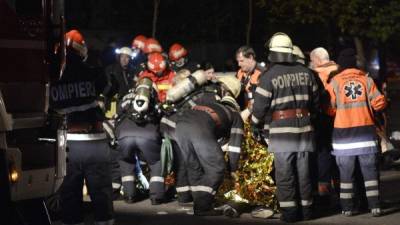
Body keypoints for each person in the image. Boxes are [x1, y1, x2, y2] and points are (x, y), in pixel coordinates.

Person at [251, 32, 320, 222]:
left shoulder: (268, 76)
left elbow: (259, 109)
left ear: (273, 53)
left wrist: (255, 125)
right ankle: (307, 211)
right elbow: (315, 103)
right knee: (304, 173)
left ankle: (290, 214)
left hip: (281, 132)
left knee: (285, 175)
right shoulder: (307, 73)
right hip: (305, 130)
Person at [50, 30, 114, 225]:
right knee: (101, 192)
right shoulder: (93, 72)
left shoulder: (52, 77)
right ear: (81, 49)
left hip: (67, 145)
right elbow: (112, 88)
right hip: (94, 144)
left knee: (69, 194)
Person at [326, 48, 387, 217]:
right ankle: (375, 206)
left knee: (346, 176)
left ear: (341, 64)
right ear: (354, 64)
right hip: (366, 135)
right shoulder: (366, 81)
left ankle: (347, 208)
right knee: (370, 174)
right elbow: (379, 103)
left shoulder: (335, 82)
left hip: (343, 138)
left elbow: (330, 109)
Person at [174, 86, 244, 216]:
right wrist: (233, 168)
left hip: (180, 125)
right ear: (235, 107)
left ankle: (198, 201)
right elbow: (235, 146)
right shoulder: (235, 115)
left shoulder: (210, 106)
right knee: (217, 168)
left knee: (194, 167)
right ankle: (203, 206)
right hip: (198, 128)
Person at [309, 47, 340, 202]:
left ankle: (324, 191)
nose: (311, 63)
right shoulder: (340, 70)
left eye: (312, 61)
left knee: (323, 153)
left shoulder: (317, 74)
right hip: (342, 117)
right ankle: (342, 187)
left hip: (324, 117)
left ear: (318, 60)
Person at [235, 45, 266, 116]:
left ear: (250, 58)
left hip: (256, 116)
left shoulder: (263, 73)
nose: (239, 64)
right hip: (242, 114)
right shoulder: (240, 72)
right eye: (238, 61)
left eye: (241, 61)